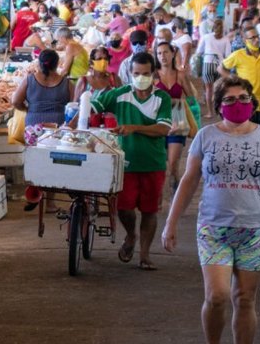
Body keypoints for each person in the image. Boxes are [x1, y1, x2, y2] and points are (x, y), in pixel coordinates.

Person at [162, 76, 260, 344]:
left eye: (243, 98)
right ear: (219, 106)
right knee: (216, 296)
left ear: (252, 102)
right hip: (214, 228)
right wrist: (171, 222)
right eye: (229, 99)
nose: (237, 103)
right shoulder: (206, 136)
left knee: (244, 298)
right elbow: (189, 180)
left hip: (255, 229)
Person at [92, 52, 172, 270]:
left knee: (150, 211)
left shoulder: (161, 98)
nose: (141, 77)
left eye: (146, 73)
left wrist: (134, 128)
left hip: (153, 163)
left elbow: (163, 129)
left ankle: (144, 255)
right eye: (137, 73)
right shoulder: (119, 94)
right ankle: (130, 236)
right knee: (124, 208)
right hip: (125, 164)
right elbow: (92, 107)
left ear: (153, 73)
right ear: (130, 73)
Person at [155, 42, 195, 196]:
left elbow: (191, 100)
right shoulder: (153, 76)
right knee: (160, 165)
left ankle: (175, 198)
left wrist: (194, 122)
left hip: (178, 124)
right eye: (159, 53)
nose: (162, 56)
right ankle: (157, 198)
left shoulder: (180, 75)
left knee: (173, 165)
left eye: (165, 52)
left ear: (173, 54)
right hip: (158, 124)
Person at [219, 26, 260, 125]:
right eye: (252, 38)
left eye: (258, 36)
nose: (257, 39)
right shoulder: (238, 55)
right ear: (245, 40)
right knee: (246, 132)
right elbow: (220, 68)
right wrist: (234, 79)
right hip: (246, 102)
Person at [12, 49, 73, 127]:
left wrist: (27, 109)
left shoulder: (29, 80)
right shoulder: (67, 83)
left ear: (39, 63)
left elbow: (15, 102)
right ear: (57, 64)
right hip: (58, 125)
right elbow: (73, 105)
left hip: (33, 126)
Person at [196, 19, 231, 118]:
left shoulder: (206, 37)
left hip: (207, 63)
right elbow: (228, 55)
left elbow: (199, 52)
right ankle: (221, 111)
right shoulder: (226, 39)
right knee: (220, 89)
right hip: (220, 65)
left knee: (208, 89)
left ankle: (210, 112)